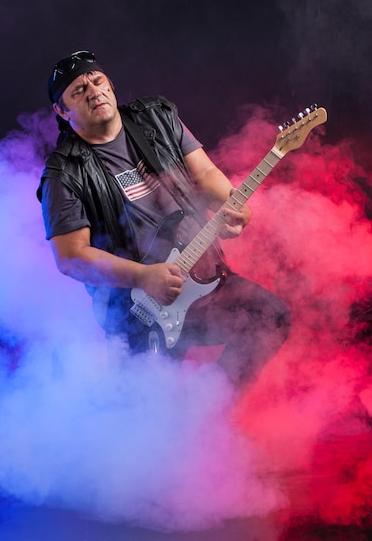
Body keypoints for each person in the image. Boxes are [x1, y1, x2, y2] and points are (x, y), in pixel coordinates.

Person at [37, 50, 290, 387]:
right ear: (61, 110)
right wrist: (143, 276)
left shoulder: (156, 116)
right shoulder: (64, 173)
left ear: (110, 85)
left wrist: (236, 208)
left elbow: (206, 175)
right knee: (148, 416)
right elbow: (70, 257)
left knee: (270, 319)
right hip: (137, 310)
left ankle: (210, 408)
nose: (94, 91)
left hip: (203, 277)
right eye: (78, 91)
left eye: (97, 81)